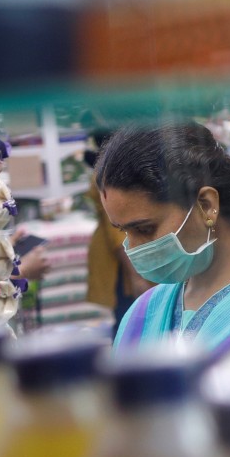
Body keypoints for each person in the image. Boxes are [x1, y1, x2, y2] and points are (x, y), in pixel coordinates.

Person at [94, 121, 230, 357]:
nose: (132, 248)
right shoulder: (143, 315)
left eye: (145, 229)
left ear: (206, 205)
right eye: (123, 231)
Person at [83, 128, 153, 338]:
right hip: (125, 261)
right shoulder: (112, 173)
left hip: (126, 256)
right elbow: (117, 231)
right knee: (130, 320)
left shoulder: (111, 168)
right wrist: (136, 275)